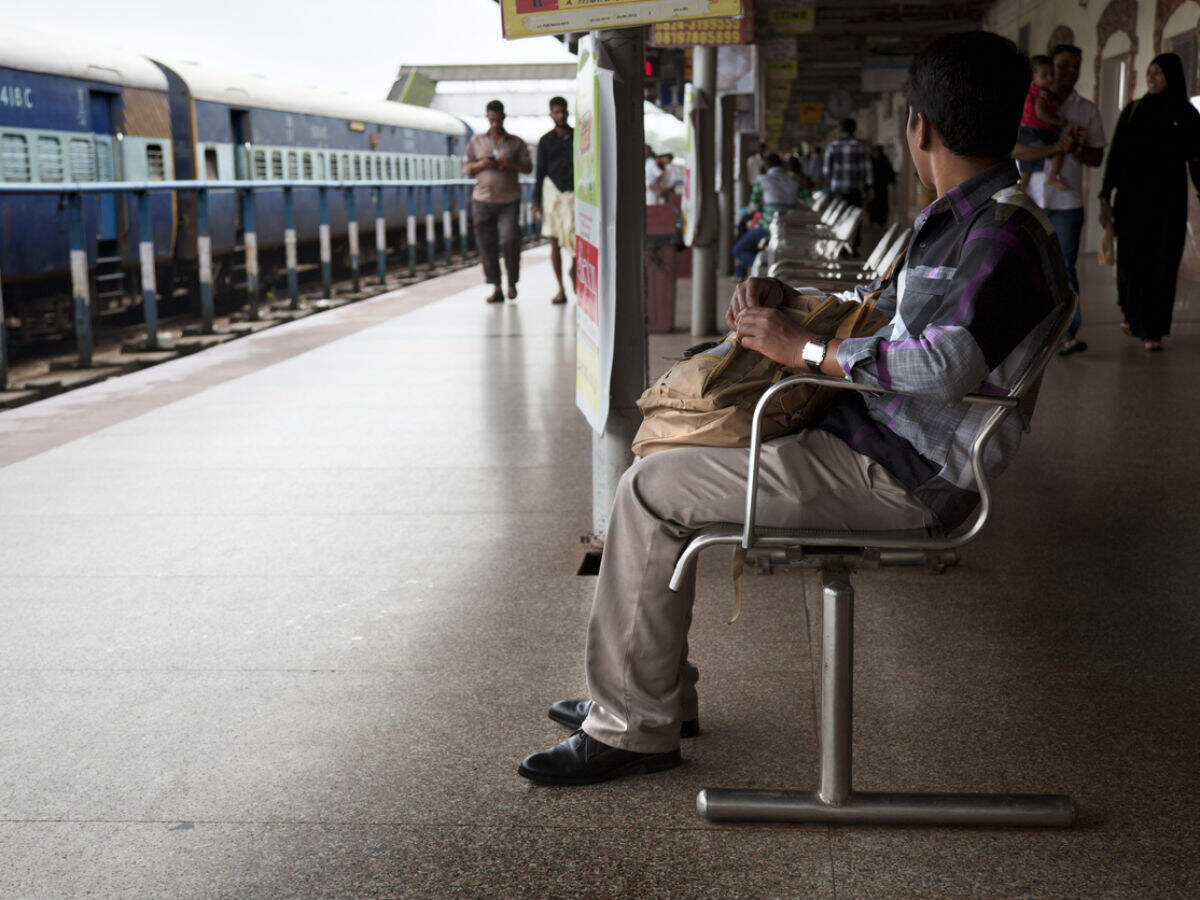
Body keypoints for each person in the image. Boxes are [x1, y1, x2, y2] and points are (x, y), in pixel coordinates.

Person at [517, 30, 1070, 786]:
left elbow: (942, 365)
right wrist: (794, 309)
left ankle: (636, 725)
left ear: (921, 128)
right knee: (665, 464)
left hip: (902, 476)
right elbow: (901, 326)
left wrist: (800, 352)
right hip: (872, 441)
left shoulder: (997, 234)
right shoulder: (975, 219)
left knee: (648, 491)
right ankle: (649, 692)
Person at [1099, 53, 1200, 351]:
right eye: (1150, 72)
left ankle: (1153, 329)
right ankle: (1132, 316)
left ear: (1172, 76)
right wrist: (1105, 194)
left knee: (1163, 264)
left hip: (1169, 202)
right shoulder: (1133, 111)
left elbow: (1197, 157)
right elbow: (1115, 156)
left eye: (1159, 73)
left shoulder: (1186, 113)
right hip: (1131, 201)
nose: (1152, 77)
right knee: (1131, 263)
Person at [1013, 44, 1105, 356]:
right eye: (1064, 65)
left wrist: (1072, 147)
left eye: (1076, 66)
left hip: (1067, 204)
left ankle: (1068, 335)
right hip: (1030, 200)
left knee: (1065, 268)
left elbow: (1096, 156)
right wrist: (1055, 148)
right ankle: (1027, 334)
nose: (1069, 72)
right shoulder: (1026, 101)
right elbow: (1015, 151)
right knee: (1024, 267)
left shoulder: (1086, 110)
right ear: (1049, 68)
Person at [463, 100, 533, 304]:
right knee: (487, 245)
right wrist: (482, 164)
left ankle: (512, 282)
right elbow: (466, 169)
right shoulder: (476, 142)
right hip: (482, 200)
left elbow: (528, 168)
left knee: (510, 240)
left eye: (498, 119)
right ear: (487, 118)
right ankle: (496, 287)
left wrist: (508, 163)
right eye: (492, 119)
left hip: (509, 200)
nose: (495, 123)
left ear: (504, 117)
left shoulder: (516, 142)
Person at [533, 96, 575, 305]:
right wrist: (536, 203)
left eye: (563, 111)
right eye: (556, 112)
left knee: (576, 238)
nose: (560, 115)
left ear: (568, 112)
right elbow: (539, 173)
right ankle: (560, 288)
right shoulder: (545, 141)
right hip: (552, 196)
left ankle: (575, 272)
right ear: (551, 114)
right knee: (554, 242)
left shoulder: (578, 137)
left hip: (574, 196)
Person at [732, 152, 800, 277]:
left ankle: (764, 268)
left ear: (766, 166)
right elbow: (805, 199)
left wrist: (745, 212)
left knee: (739, 249)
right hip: (789, 228)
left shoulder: (762, 180)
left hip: (768, 227)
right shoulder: (793, 180)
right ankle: (746, 271)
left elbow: (754, 207)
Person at [1017, 55, 1077, 192]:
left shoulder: (1033, 90)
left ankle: (1020, 189)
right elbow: (1041, 113)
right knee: (1060, 148)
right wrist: (1058, 120)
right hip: (1035, 131)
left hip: (1027, 130)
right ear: (1033, 76)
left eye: (1052, 74)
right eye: (1045, 75)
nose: (1050, 78)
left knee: (1027, 166)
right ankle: (1052, 175)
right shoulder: (1041, 92)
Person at [823, 119, 873, 251]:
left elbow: (827, 171)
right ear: (854, 129)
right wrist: (868, 186)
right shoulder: (861, 146)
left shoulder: (832, 146)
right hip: (855, 189)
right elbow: (867, 169)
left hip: (837, 189)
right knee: (855, 218)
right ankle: (854, 246)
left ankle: (840, 248)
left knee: (839, 217)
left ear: (841, 130)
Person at [867, 144, 895, 225]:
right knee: (875, 204)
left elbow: (889, 173)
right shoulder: (878, 160)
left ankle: (880, 220)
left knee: (880, 204)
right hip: (877, 187)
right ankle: (876, 220)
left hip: (880, 187)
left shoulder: (881, 160)